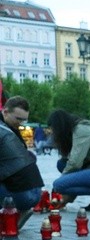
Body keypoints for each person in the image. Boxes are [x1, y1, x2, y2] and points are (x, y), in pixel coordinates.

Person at [0, 96, 43, 227]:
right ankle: (18, 211)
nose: (21, 123)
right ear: (5, 112)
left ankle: (13, 210)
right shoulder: (10, 131)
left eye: (24, 120)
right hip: (36, 193)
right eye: (18, 119)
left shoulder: (6, 128)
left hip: (22, 194)